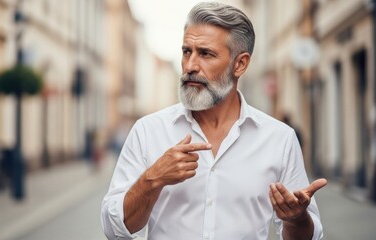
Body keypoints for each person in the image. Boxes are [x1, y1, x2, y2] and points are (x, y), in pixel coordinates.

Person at [101, 2, 327, 239]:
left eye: (205, 54)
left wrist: (296, 219)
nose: (189, 66)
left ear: (240, 64)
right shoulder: (148, 131)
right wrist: (152, 179)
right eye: (187, 51)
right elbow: (114, 230)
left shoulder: (279, 139)